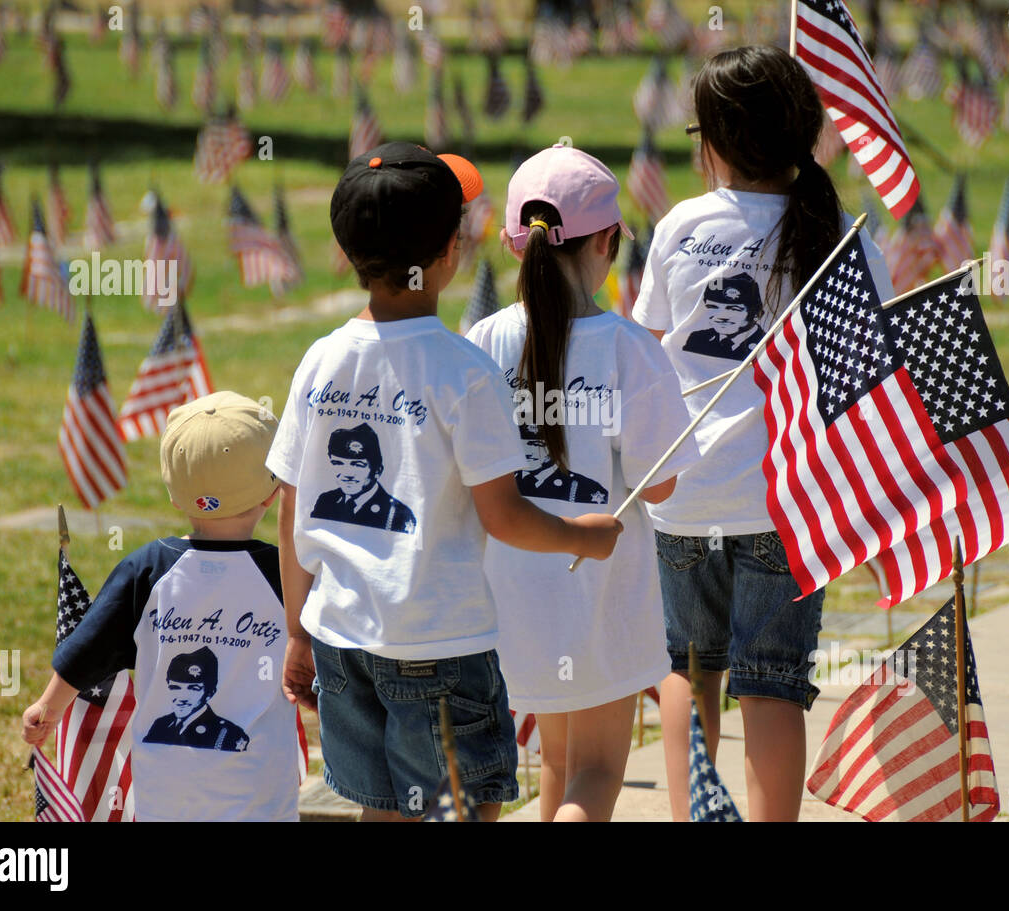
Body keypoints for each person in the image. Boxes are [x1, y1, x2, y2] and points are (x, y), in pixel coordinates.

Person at [269, 142, 623, 823]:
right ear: (450, 252)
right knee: (461, 809)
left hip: (341, 639)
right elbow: (505, 516)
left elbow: (292, 511)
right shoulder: (463, 371)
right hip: (439, 646)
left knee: (385, 807)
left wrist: (296, 630)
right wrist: (584, 534)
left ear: (347, 252)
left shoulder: (320, 360)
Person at [630, 45, 895, 822]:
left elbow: (651, 360)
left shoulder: (681, 226)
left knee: (689, 666)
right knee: (772, 680)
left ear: (711, 141)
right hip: (790, 501)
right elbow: (871, 369)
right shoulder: (842, 235)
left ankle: (693, 816)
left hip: (684, 495)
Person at [466, 143, 699, 821]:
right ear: (605, 244)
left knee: (561, 764)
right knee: (596, 773)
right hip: (602, 601)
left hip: (509, 600)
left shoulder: (480, 339)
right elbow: (659, 489)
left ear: (515, 245)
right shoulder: (631, 348)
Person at [22, 391, 302, 821]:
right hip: (259, 794)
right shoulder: (286, 572)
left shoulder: (146, 569)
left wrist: (49, 707)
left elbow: (87, 650)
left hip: (163, 797)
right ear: (272, 492)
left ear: (175, 495)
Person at [310, 424, 417, 533]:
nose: (347, 473)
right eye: (338, 463)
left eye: (358, 465)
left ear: (377, 471)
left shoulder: (397, 514)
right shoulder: (326, 501)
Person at [142, 647, 250, 751]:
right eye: (175, 687)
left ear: (210, 693)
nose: (182, 697)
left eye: (193, 689)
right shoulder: (161, 724)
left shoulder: (228, 734)